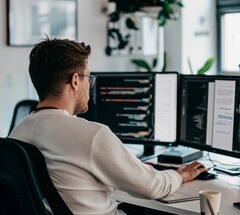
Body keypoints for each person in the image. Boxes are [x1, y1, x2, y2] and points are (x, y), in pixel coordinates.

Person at [9, 37, 207, 215]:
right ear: (75, 81)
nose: (90, 85)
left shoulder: (17, 134)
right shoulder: (91, 134)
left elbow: (66, 183)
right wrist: (181, 174)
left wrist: (128, 170)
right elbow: (152, 187)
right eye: (89, 77)